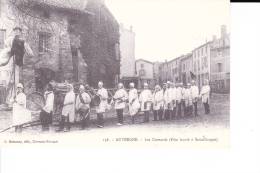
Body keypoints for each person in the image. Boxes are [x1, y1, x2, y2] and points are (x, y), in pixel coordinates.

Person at [2, 26, 34, 107]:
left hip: (18, 63)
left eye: (18, 31)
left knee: (16, 81)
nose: (16, 32)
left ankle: (15, 100)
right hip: (12, 61)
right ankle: (10, 100)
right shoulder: (12, 40)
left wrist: (28, 53)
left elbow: (30, 53)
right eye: (15, 31)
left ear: (20, 32)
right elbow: (9, 50)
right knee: (11, 81)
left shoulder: (22, 41)